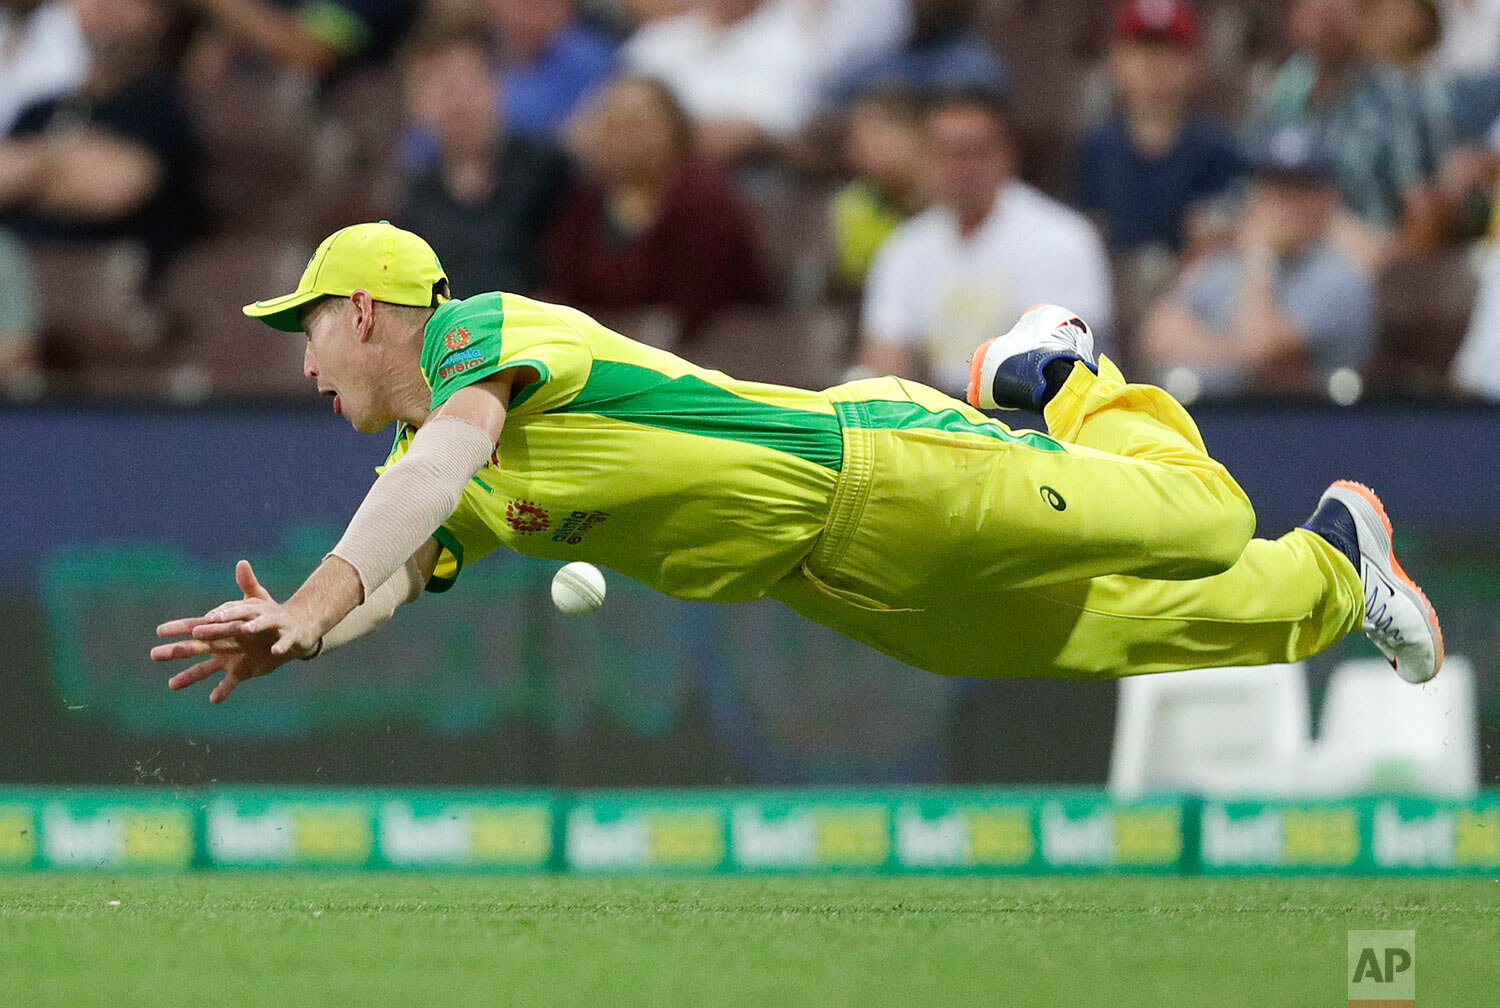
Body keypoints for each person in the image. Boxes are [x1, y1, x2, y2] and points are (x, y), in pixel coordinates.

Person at [150, 221, 1443, 707]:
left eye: (305, 327)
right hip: (838, 580)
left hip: (881, 469)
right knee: (1087, 639)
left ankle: (1055, 375)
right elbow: (412, 554)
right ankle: (1335, 568)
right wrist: (312, 635)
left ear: (368, 310)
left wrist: (308, 598)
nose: (302, 359)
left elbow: (428, 475)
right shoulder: (467, 474)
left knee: (1204, 518)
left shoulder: (488, 335)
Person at [857, 89, 1111, 398]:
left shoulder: (1064, 238)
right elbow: (884, 354)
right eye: (946, 153)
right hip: (940, 417)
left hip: (1031, 417)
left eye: (974, 152)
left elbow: (1065, 365)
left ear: (1006, 154)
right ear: (926, 159)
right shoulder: (906, 247)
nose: (960, 168)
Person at [1140, 126, 1376, 398]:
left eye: (1297, 190)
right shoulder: (1224, 265)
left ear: (1326, 200)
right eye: (1273, 187)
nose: (1280, 204)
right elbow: (1157, 335)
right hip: (1208, 422)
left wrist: (1260, 257)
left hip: (1301, 428)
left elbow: (1260, 348)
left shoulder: (1341, 278)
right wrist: (1237, 354)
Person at [539, 75, 772, 342]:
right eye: (612, 124)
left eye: (636, 124)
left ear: (673, 128)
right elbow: (561, 284)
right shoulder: (585, 198)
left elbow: (694, 306)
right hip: (598, 350)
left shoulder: (705, 201)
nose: (623, 137)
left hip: (715, 355)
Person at [398, 25, 570, 297]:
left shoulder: (550, 171)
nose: (458, 102)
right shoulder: (410, 196)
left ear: (496, 88)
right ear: (418, 104)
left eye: (469, 84)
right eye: (443, 88)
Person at [1074, 0, 1241, 257]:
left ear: (1193, 63)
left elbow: (1223, 239)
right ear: (1117, 60)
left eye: (1170, 52)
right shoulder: (1097, 147)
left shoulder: (1216, 149)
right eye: (1142, 51)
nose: (1155, 65)